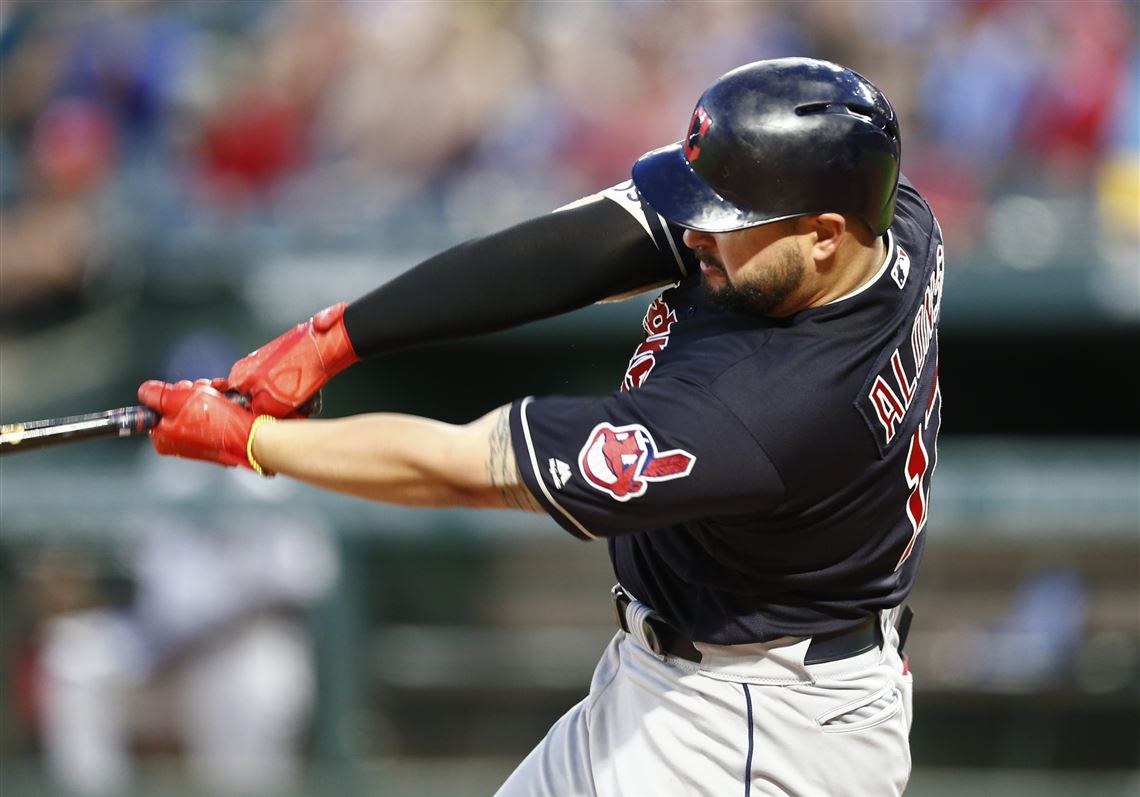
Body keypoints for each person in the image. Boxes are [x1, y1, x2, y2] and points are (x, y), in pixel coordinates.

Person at [138, 58, 944, 796]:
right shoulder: (893, 218)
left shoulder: (769, 409)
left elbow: (465, 466)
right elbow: (579, 250)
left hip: (753, 730)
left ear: (823, 236)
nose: (695, 234)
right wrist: (336, 337)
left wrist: (250, 443)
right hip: (703, 676)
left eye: (724, 218)